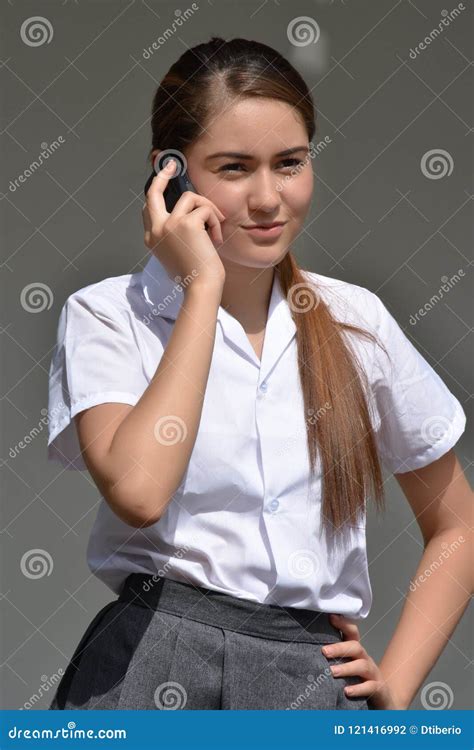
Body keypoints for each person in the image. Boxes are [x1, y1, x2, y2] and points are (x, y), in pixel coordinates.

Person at [46, 37, 471, 711]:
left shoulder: (356, 321)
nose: (269, 197)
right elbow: (139, 492)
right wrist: (201, 289)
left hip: (307, 678)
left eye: (290, 163)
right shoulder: (105, 315)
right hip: (153, 660)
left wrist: (395, 682)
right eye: (235, 167)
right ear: (172, 174)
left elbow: (458, 526)